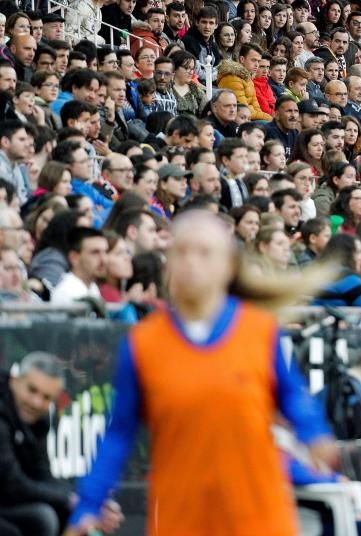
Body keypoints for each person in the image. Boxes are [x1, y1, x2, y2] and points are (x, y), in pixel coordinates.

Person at [66, 212, 338, 535]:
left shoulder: (259, 330)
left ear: (228, 265)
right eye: (181, 252)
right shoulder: (143, 343)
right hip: (182, 514)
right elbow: (119, 434)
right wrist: (88, 504)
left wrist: (315, 433)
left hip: (257, 513)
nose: (191, 262)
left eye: (204, 252)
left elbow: (293, 394)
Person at [0, 352, 123, 536]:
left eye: (46, 397)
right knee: (42, 518)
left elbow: (43, 474)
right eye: (32, 390)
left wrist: (88, 502)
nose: (36, 402)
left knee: (76, 515)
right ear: (14, 381)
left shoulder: (37, 419)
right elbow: (12, 484)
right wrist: (70, 498)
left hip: (8, 501)